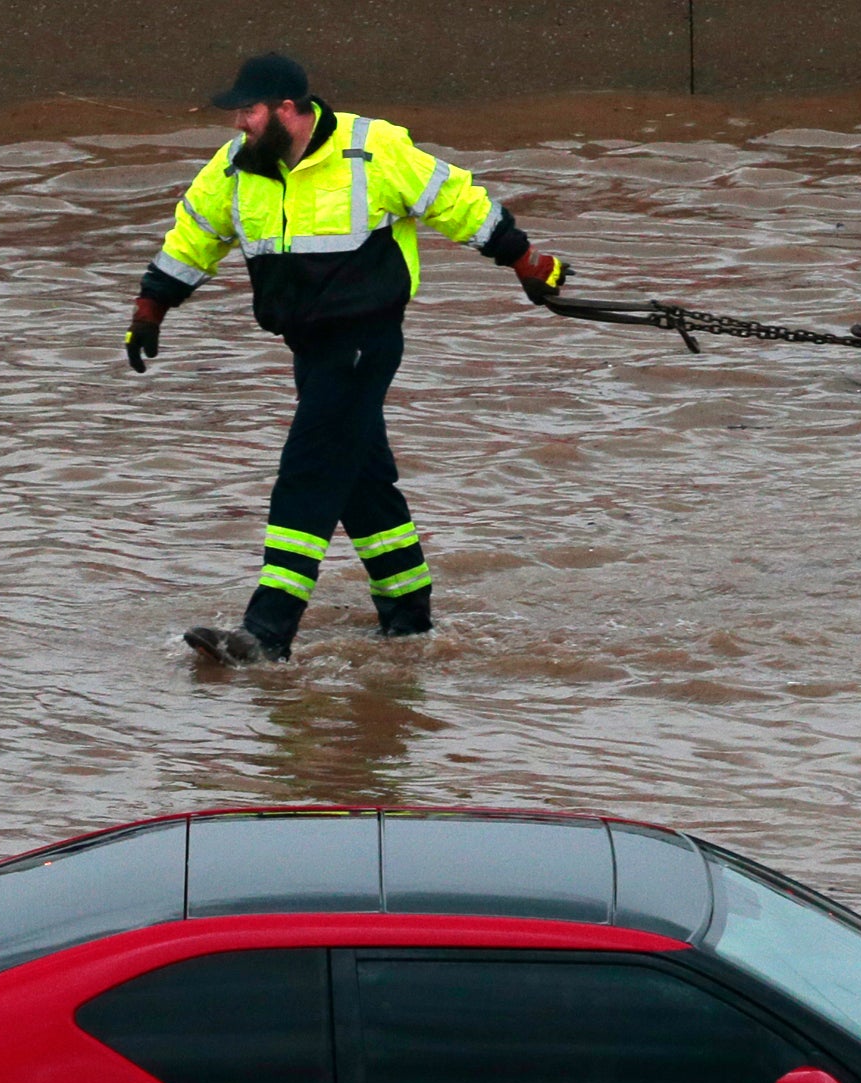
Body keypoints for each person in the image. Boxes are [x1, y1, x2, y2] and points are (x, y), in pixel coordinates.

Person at [127, 52, 573, 664]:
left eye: (249, 111)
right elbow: (196, 233)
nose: (239, 125)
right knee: (361, 479)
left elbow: (455, 200)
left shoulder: (373, 149)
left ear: (288, 109)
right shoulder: (238, 168)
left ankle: (266, 631)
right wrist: (152, 306)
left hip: (365, 337)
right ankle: (409, 617)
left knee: (310, 469)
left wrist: (525, 260)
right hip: (306, 345)